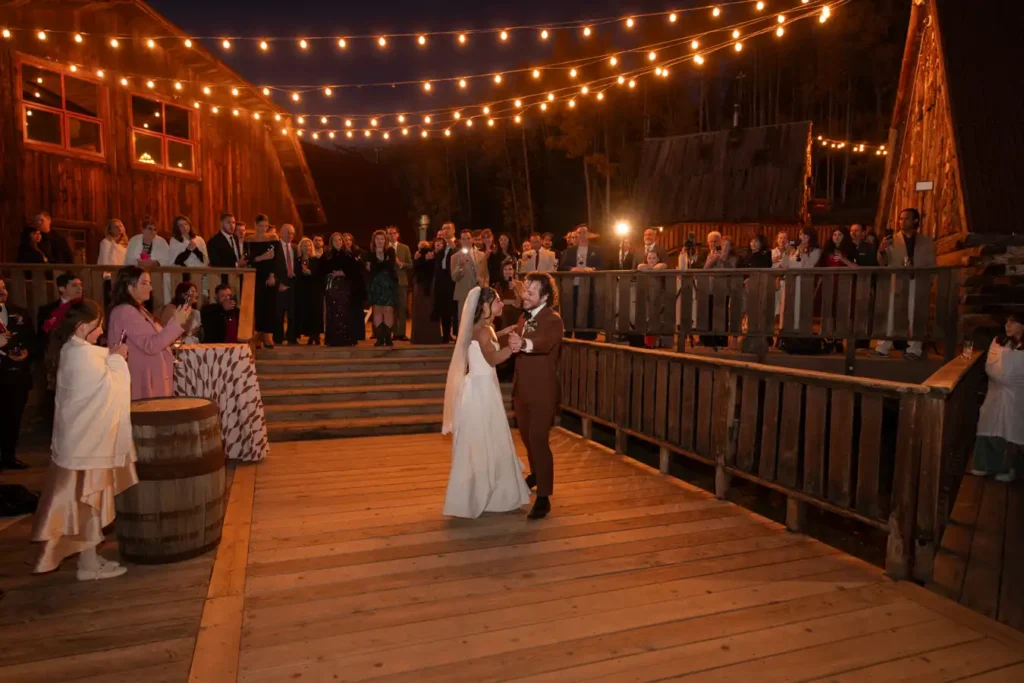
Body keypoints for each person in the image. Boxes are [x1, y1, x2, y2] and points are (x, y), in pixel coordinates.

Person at [30, 299, 137, 579]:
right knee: (86, 506)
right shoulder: (80, 355)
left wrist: (111, 356)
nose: (100, 330)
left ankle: (89, 559)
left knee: (86, 506)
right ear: (80, 327)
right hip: (86, 445)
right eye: (96, 325)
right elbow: (107, 388)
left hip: (79, 442)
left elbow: (97, 363)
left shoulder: (71, 349)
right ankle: (88, 566)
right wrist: (117, 359)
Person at [441, 287, 531, 519]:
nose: (501, 303)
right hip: (481, 390)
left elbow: (485, 340)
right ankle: (490, 491)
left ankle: (486, 489)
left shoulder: (484, 328)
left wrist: (503, 332)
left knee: (486, 438)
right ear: (484, 307)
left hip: (482, 386)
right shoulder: (481, 331)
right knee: (486, 437)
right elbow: (491, 357)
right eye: (496, 301)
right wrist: (513, 348)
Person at [507, 273, 563, 520]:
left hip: (542, 391)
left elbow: (544, 343)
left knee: (539, 439)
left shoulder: (552, 319)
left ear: (545, 296)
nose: (525, 296)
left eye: (530, 292)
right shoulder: (522, 317)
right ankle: (537, 474)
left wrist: (524, 344)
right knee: (527, 438)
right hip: (522, 390)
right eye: (525, 290)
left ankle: (544, 497)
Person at [107, 267, 190, 400]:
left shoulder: (138, 310)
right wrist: (176, 324)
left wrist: (176, 321)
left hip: (150, 379)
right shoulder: (125, 311)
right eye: (144, 283)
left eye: (150, 283)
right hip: (142, 383)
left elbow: (155, 338)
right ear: (129, 286)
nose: (150, 288)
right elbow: (151, 345)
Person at [874, 208, 936, 360]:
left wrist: (928, 282)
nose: (902, 221)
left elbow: (931, 264)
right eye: (900, 219)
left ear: (915, 221)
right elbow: (883, 262)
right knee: (891, 314)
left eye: (906, 218)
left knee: (916, 315)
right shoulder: (892, 240)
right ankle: (882, 348)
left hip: (918, 281)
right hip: (897, 282)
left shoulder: (926, 242)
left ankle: (914, 349)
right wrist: (881, 250)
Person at [971, 313, 1024, 482]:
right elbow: (992, 367)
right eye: (1007, 321)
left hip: (1017, 394)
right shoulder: (999, 341)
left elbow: (1014, 375)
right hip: (995, 391)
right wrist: (1006, 370)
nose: (1007, 325)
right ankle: (985, 464)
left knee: (1010, 427)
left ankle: (1008, 467)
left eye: (1013, 322)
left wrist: (1008, 371)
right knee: (989, 423)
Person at [0, 278, 35, 471]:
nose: (2, 292)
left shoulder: (20, 313)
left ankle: (8, 457)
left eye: (4, 288)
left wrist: (26, 353)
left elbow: (31, 339)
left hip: (14, 376)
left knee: (12, 418)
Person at [559, 225, 603, 340]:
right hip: (573, 285)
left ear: (588, 234)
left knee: (589, 310)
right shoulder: (570, 250)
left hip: (591, 286)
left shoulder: (597, 249)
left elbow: (604, 265)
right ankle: (571, 334)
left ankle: (589, 336)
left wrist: (592, 269)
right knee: (572, 310)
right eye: (579, 233)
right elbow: (562, 267)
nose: (582, 235)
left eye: (584, 232)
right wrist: (572, 269)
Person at [246, 214, 281, 349]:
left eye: (266, 226)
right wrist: (260, 258)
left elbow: (275, 259)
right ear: (255, 225)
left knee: (269, 304)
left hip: (268, 274)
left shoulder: (273, 238)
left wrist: (272, 275)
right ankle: (259, 334)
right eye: (261, 226)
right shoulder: (249, 240)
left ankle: (267, 334)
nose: (264, 228)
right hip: (254, 274)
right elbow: (248, 259)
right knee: (257, 305)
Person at [321, 233, 360, 347]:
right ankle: (333, 338)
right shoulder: (327, 255)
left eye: (339, 240)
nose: (338, 242)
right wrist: (331, 273)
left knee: (344, 311)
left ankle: (345, 338)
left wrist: (344, 273)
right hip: (332, 286)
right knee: (333, 311)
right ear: (331, 242)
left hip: (345, 286)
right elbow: (322, 270)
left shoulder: (348, 255)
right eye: (335, 240)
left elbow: (355, 271)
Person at [367, 230, 400, 346]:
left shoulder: (390, 251)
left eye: (382, 239)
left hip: (388, 284)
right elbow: (374, 269)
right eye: (378, 239)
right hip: (376, 284)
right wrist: (381, 263)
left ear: (385, 240)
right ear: (374, 241)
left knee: (388, 310)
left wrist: (379, 263)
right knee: (377, 310)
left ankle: (388, 337)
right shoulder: (370, 254)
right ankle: (380, 337)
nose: (380, 241)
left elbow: (390, 265)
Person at [452, 229, 489, 331]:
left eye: (468, 238)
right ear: (460, 241)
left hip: (479, 292)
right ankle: (463, 344)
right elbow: (454, 277)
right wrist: (460, 267)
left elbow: (486, 274)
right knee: (464, 321)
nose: (466, 241)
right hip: (464, 292)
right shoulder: (455, 257)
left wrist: (485, 288)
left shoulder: (481, 255)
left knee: (479, 319)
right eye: (463, 239)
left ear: (472, 239)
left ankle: (477, 343)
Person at [412, 239, 443, 345]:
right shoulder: (420, 255)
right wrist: (421, 259)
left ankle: (431, 337)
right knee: (421, 311)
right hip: (421, 286)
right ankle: (419, 338)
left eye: (441, 244)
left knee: (430, 311)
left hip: (432, 287)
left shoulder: (438, 256)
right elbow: (416, 270)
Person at [293, 237, 323, 344]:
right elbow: (294, 274)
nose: (307, 247)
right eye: (305, 245)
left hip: (314, 289)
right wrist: (302, 272)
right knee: (304, 312)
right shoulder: (297, 260)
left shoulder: (316, 260)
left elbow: (320, 274)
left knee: (315, 312)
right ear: (301, 247)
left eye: (309, 245)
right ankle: (307, 334)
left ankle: (315, 336)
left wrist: (310, 273)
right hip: (302, 290)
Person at [274, 224, 299, 345]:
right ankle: (278, 338)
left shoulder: (295, 248)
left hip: (293, 284)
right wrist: (277, 283)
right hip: (280, 284)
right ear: (281, 233)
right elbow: (272, 267)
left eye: (292, 233)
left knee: (293, 312)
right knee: (279, 312)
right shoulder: (275, 247)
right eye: (287, 232)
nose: (290, 235)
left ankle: (291, 337)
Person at [387, 226, 413, 341]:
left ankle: (401, 333)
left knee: (402, 307)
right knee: (390, 308)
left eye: (394, 233)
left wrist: (402, 264)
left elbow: (411, 264)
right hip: (388, 281)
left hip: (401, 281)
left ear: (397, 235)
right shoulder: (385, 247)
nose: (392, 235)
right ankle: (391, 332)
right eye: (389, 233)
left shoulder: (404, 248)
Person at [433, 232, 458, 342]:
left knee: (455, 310)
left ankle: (456, 334)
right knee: (444, 311)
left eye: (447, 229)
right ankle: (446, 336)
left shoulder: (457, 245)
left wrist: (455, 248)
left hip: (454, 282)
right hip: (442, 283)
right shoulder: (440, 250)